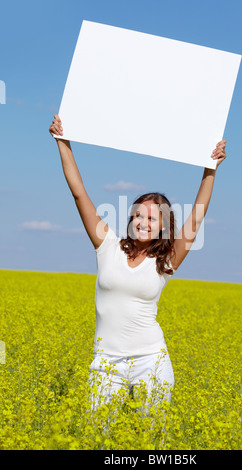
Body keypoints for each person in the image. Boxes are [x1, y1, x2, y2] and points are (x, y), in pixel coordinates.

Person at [49, 114, 227, 411]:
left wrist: (211, 169)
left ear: (163, 226)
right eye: (137, 215)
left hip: (151, 361)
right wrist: (63, 142)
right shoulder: (107, 246)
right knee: (98, 438)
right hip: (105, 362)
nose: (142, 222)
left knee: (153, 441)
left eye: (151, 218)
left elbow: (196, 215)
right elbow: (79, 193)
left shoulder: (166, 261)